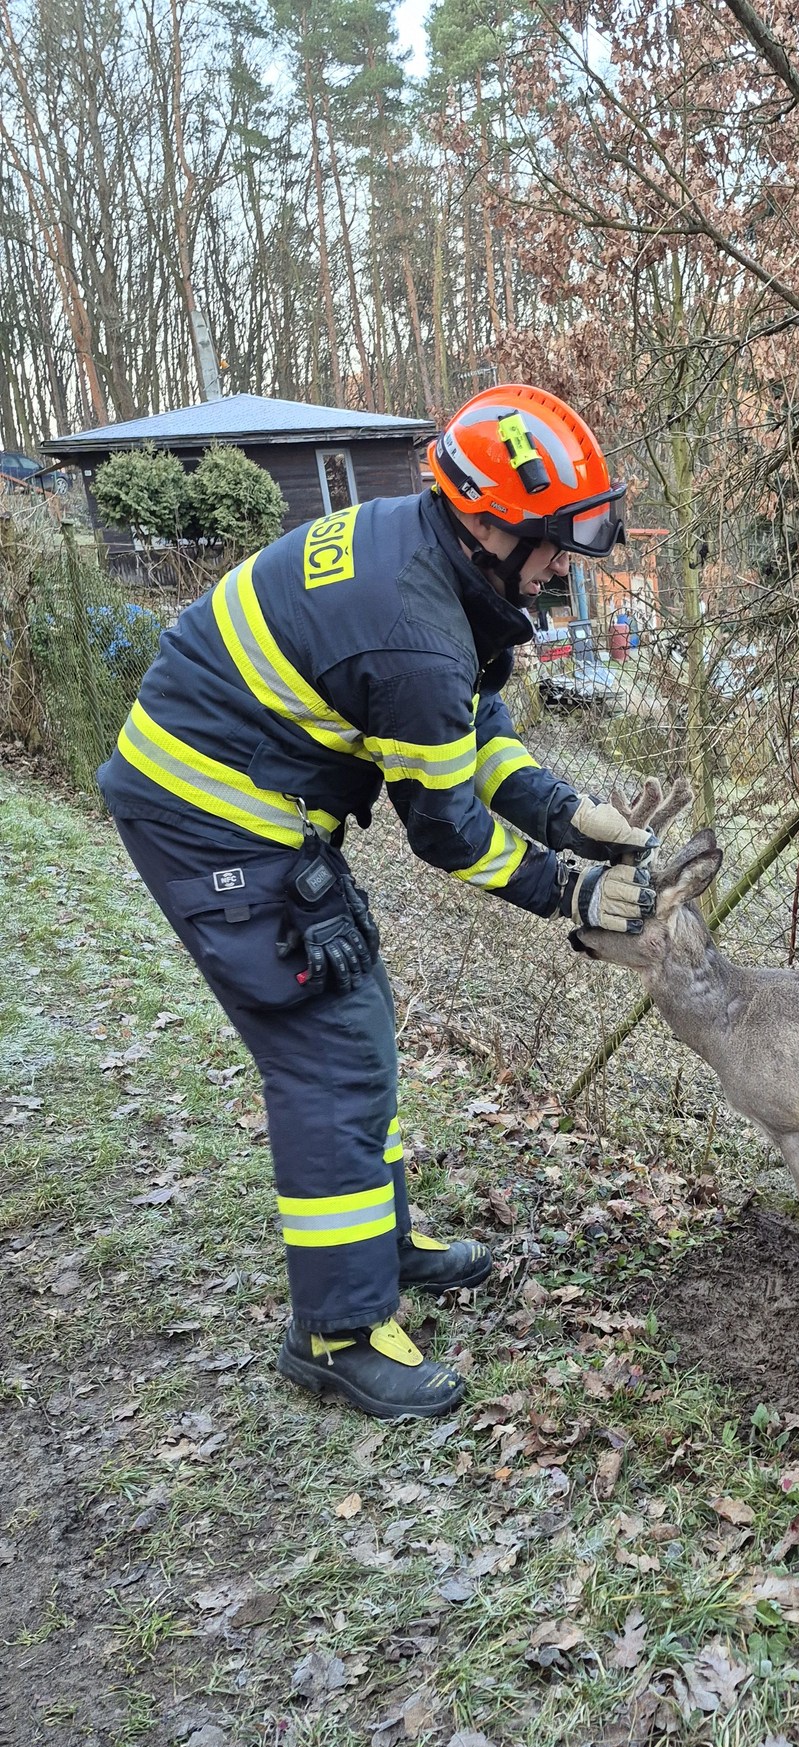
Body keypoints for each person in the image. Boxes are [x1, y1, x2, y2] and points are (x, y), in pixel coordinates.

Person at [97, 386, 656, 1421]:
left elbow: (467, 722)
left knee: (356, 1027)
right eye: (550, 544)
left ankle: (381, 1242)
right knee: (329, 1054)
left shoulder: (432, 558)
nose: (561, 569)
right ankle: (338, 1331)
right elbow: (446, 827)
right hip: (210, 815)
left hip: (254, 799)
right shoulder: (413, 626)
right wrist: (567, 887)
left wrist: (569, 812)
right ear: (490, 520)